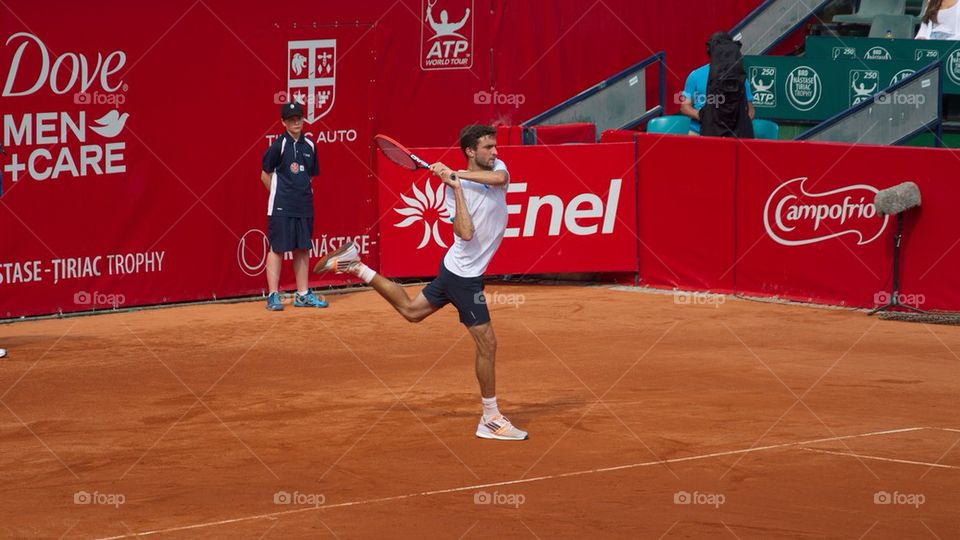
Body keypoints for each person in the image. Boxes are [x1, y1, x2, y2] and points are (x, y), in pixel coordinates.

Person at [315, 125, 528, 441]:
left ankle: (356, 266)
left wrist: (458, 175)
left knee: (412, 311)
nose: (495, 152)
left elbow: (501, 181)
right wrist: (456, 188)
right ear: (470, 150)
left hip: (457, 268)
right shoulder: (449, 191)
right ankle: (490, 418)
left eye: (494, 147)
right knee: (488, 343)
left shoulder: (496, 168)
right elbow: (466, 233)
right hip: (463, 277)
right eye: (487, 147)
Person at [260, 101, 328, 311]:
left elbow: (309, 176)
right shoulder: (278, 146)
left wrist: (301, 195)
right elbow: (264, 175)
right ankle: (273, 295)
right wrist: (279, 196)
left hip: (304, 206)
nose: (296, 122)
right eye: (291, 119)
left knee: (303, 249)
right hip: (281, 207)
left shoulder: (310, 146)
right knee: (277, 249)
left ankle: (303, 294)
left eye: (299, 118)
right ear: (283, 122)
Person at [679, 33, 755, 136]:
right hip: (698, 131)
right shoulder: (695, 75)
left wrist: (738, 124)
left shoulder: (740, 78)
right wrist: (705, 117)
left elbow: (750, 110)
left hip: (733, 134)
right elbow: (684, 107)